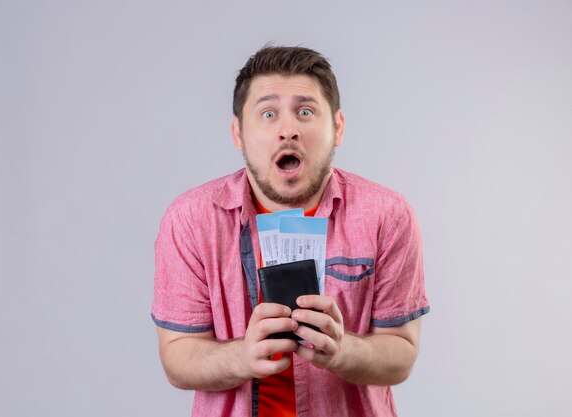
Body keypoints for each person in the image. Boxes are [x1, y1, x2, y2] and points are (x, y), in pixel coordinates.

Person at [151, 45, 430, 417]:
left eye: (305, 111)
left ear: (338, 127)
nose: (288, 130)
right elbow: (177, 356)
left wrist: (343, 350)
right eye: (268, 113)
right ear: (238, 133)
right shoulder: (190, 220)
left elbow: (402, 353)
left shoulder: (388, 216)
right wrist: (242, 357)